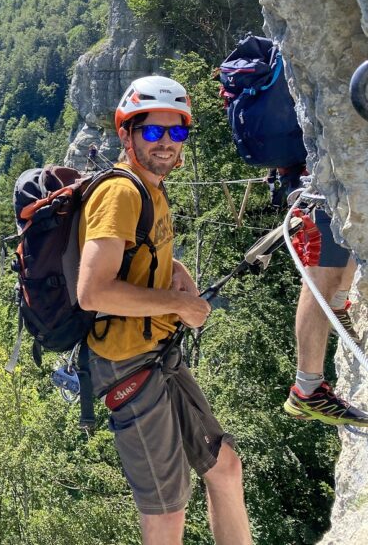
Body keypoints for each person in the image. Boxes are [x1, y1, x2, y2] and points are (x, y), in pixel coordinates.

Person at [77, 75, 252, 545]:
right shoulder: (121, 192)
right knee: (167, 510)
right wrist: (176, 302)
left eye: (177, 133)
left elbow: (137, 252)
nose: (167, 143)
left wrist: (171, 269)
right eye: (153, 131)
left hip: (157, 353)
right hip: (126, 364)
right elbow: (92, 291)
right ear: (126, 134)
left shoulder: (150, 189)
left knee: (224, 465)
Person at [277, 166, 368, 426]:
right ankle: (307, 391)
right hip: (317, 185)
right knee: (320, 279)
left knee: (353, 242)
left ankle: (337, 307)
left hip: (325, 179)